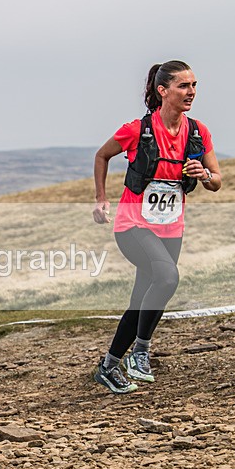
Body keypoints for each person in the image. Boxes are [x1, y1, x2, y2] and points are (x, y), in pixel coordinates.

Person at [92, 60, 222, 394]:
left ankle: (108, 365)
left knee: (143, 298)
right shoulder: (138, 129)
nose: (191, 92)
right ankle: (140, 352)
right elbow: (102, 155)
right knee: (166, 277)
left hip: (170, 228)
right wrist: (101, 198)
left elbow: (216, 181)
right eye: (183, 86)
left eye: (194, 85)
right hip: (132, 225)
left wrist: (204, 175)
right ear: (162, 90)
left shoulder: (198, 132)